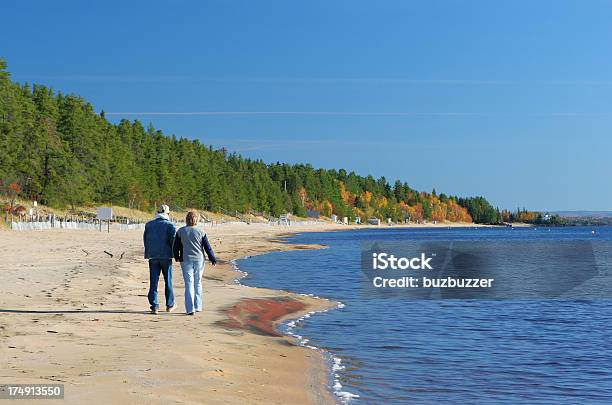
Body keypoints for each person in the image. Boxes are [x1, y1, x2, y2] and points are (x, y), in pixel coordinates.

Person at [173, 211, 217, 315]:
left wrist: (177, 257)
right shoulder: (201, 231)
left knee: (189, 284)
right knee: (197, 283)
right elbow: (207, 247)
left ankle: (190, 309)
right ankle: (198, 306)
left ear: (186, 219)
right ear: (197, 220)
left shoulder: (181, 231)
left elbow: (176, 247)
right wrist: (213, 259)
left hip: (185, 260)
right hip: (199, 260)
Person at [143, 204, 177, 314]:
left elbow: (145, 240)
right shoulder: (170, 225)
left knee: (154, 281)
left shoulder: (149, 225)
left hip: (152, 256)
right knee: (168, 281)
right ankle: (169, 305)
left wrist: (148, 252)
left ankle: (154, 305)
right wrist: (175, 254)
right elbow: (173, 242)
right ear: (167, 213)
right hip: (166, 256)